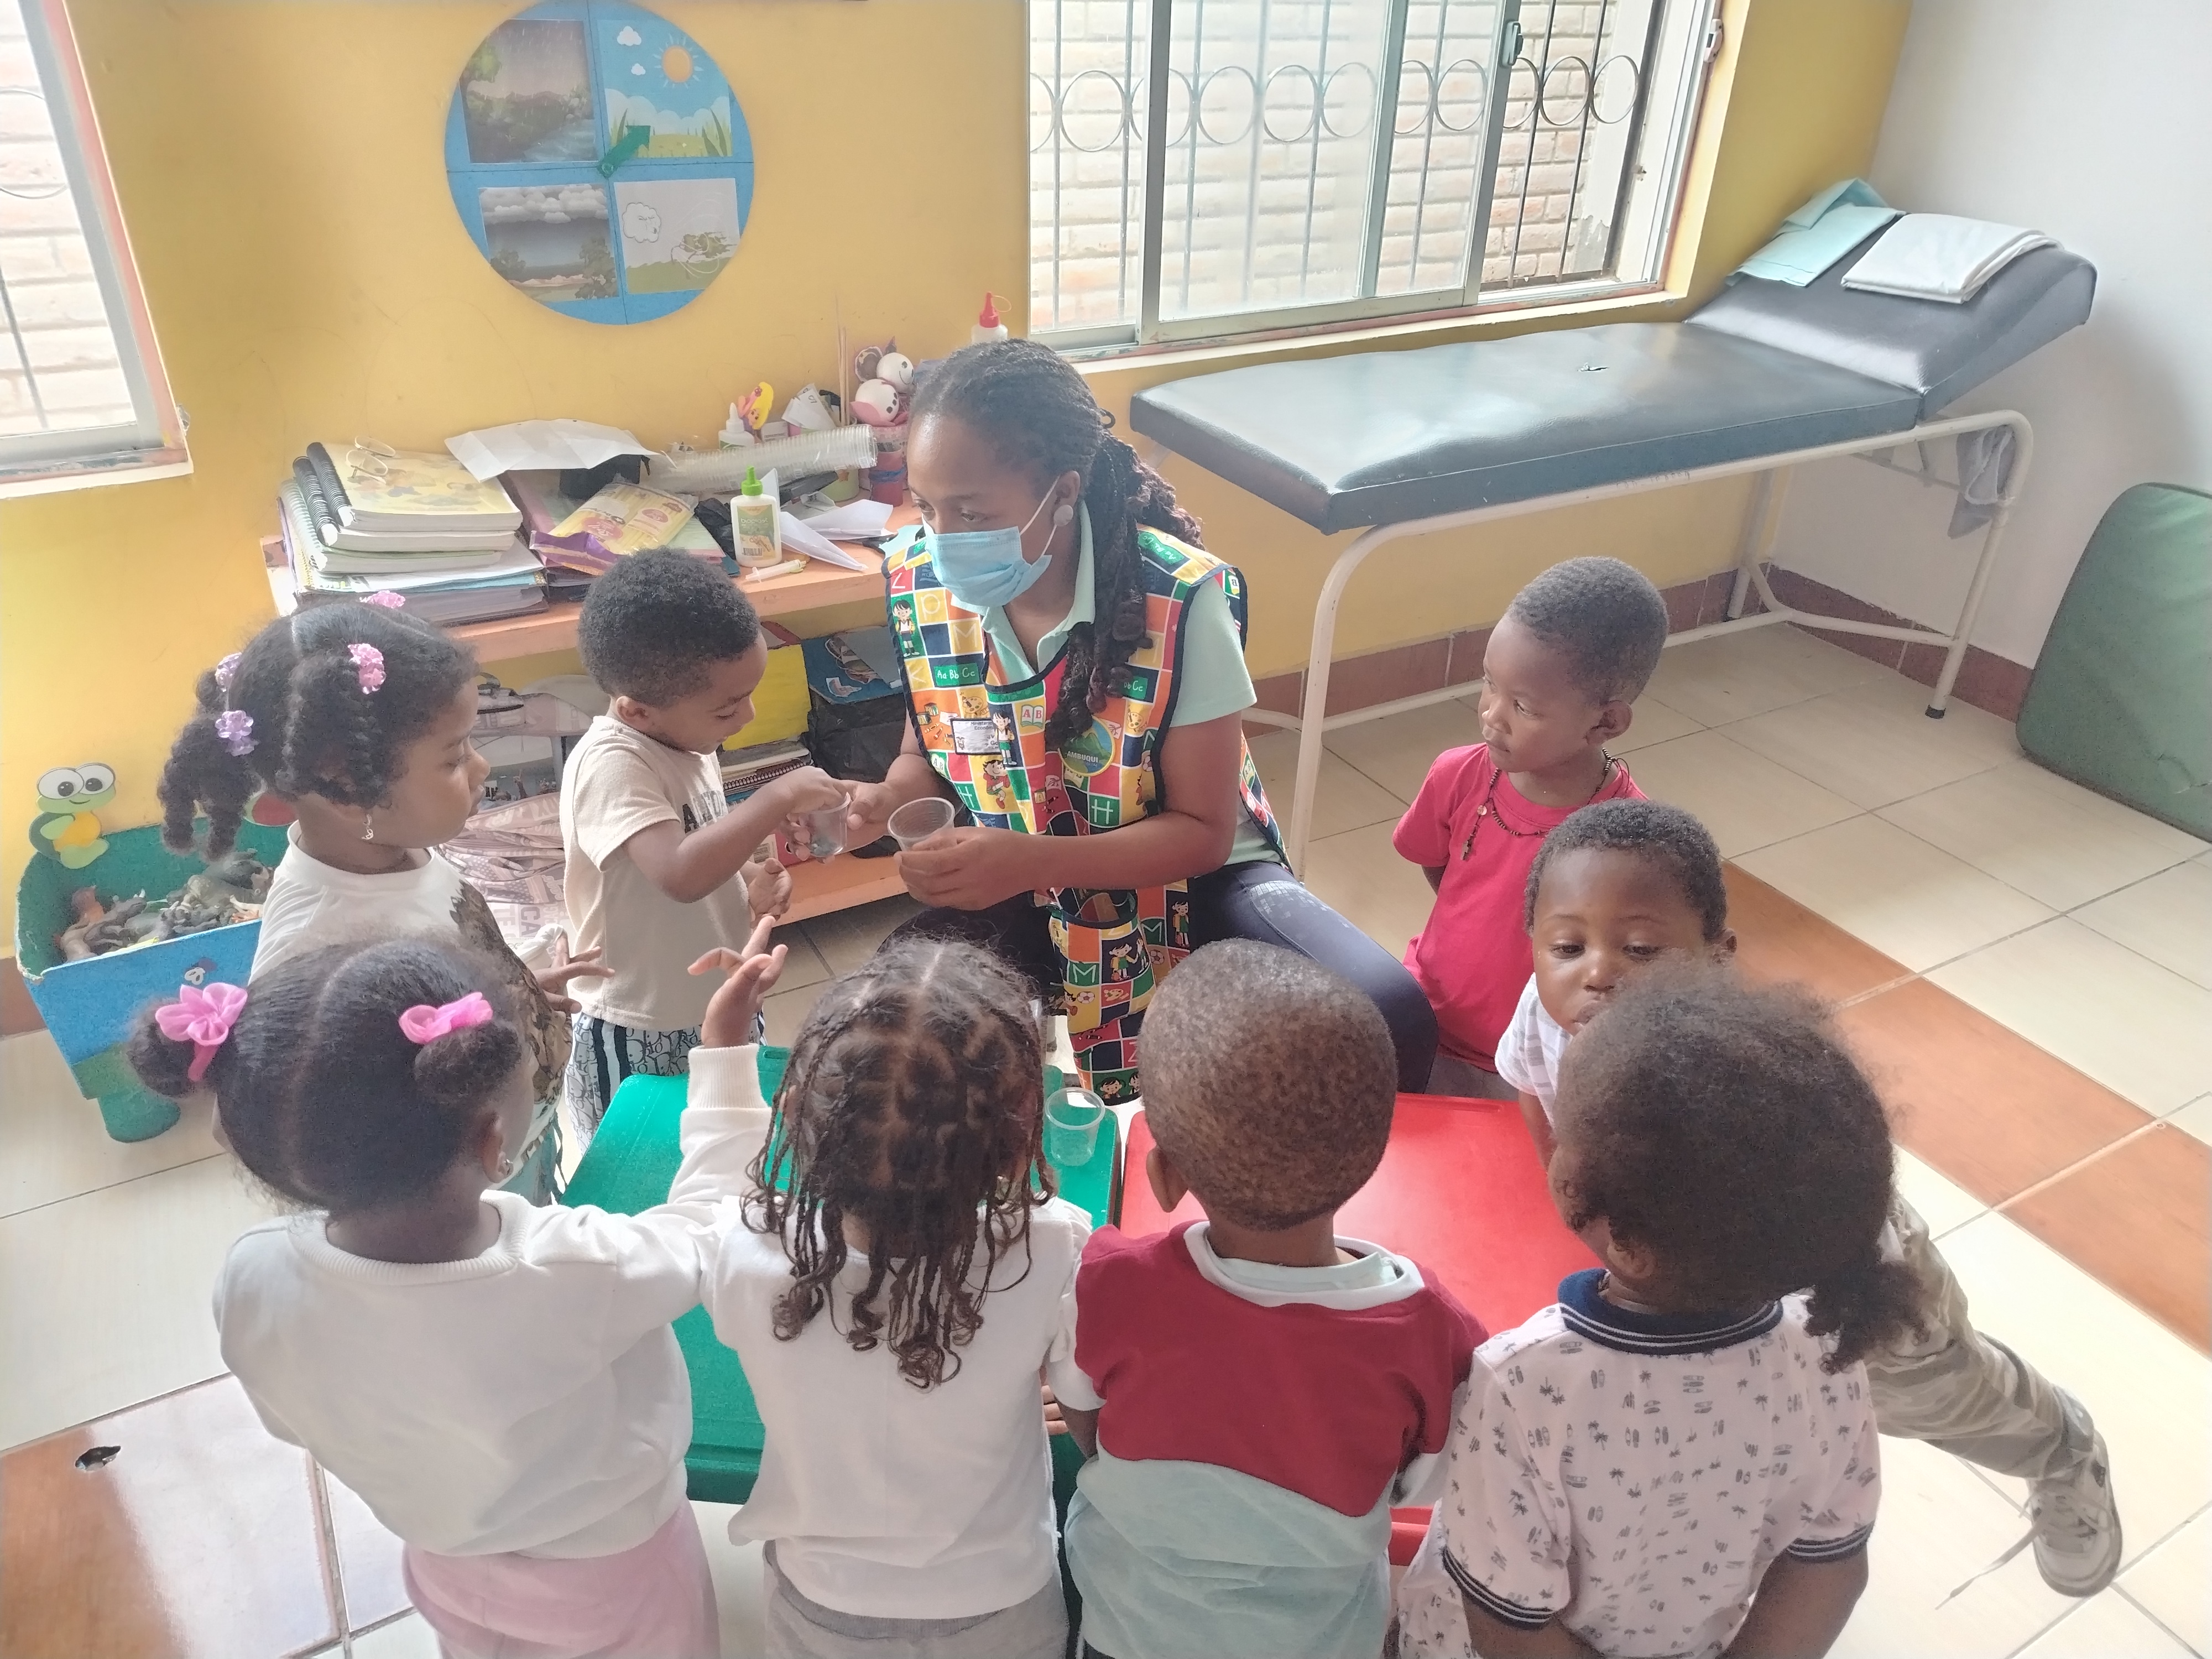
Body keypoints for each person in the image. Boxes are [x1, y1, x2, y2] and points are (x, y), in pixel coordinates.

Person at [1495, 797, 2124, 1598]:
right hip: (1710, 1276)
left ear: (1717, 956)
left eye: (1641, 948)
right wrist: (1577, 1201)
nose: (1597, 973)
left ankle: (2061, 1447)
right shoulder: (1549, 1012)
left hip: (1833, 1263)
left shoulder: (1738, 1073)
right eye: (1566, 946)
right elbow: (1532, 1086)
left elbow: (1818, 1210)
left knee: (1923, 1394)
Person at [126, 921, 790, 1659]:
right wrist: (725, 1054)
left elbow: (290, 1421)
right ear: (492, 1141)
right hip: (613, 1572)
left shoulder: (252, 1276)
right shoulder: (571, 1268)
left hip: (445, 1563)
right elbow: (710, 1231)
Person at [835, 338, 1436, 1100]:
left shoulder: (1176, 602)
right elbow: (927, 747)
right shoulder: (921, 583)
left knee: (1386, 1014)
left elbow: (1201, 833)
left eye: (974, 513)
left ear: (1063, 491)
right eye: (926, 507)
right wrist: (887, 797)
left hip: (1187, 876)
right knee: (883, 1032)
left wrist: (1032, 862)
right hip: (1022, 866)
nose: (943, 539)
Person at [1397, 966, 1917, 1659]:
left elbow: (1507, 1627)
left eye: (1567, 1127)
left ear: (1627, 1242)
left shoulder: (1524, 1384)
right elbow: (1829, 1566)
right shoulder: (1825, 1350)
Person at [1048, 941, 1483, 1659]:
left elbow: (1085, 1422)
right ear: (1373, 1155)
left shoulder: (1109, 1284)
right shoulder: (1430, 1331)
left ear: (1164, 1177)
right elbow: (1420, 1488)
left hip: (1128, 1635)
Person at [696, 937, 1088, 1659]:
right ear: (1014, 1142)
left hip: (822, 1609)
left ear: (798, 1121)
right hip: (1004, 1606)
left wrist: (724, 1053)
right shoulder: (1052, 1247)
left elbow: (710, 1195)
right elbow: (1085, 1395)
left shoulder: (740, 1253)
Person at [157, 598, 606, 1200]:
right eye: (454, 757)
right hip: (462, 1194)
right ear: (349, 790)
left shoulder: (396, 846)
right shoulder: (321, 938)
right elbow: (243, 1124)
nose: (480, 770)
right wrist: (421, 1208)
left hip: (515, 1139)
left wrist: (510, 993)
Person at [562, 549, 847, 1138]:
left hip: (715, 1001)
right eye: (727, 709)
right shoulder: (612, 764)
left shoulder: (685, 739)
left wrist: (749, 877)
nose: (747, 717)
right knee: (643, 1160)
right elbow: (678, 872)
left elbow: (695, 837)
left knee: (727, 1137)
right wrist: (774, 798)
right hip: (640, 1021)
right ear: (638, 711)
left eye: (748, 694)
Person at [1393, 556, 1665, 1098]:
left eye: (1523, 706)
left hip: (1532, 1064)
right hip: (1424, 1021)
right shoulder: (1458, 774)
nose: (1492, 715)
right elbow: (1440, 868)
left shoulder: (1628, 841)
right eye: (1489, 684)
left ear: (1605, 722)